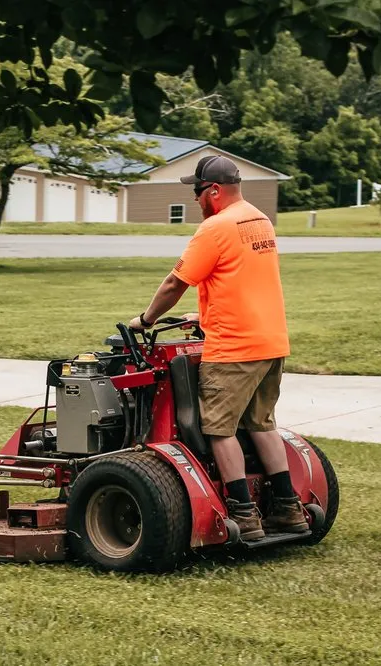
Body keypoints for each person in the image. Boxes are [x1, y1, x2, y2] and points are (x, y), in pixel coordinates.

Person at [128, 155, 306, 541]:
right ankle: (288, 508)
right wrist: (206, 313)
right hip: (270, 341)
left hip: (235, 349)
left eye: (196, 191)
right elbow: (240, 278)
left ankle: (243, 514)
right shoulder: (259, 219)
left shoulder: (215, 227)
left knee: (219, 429)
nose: (194, 200)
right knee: (261, 423)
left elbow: (176, 283)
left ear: (214, 191)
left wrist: (146, 319)